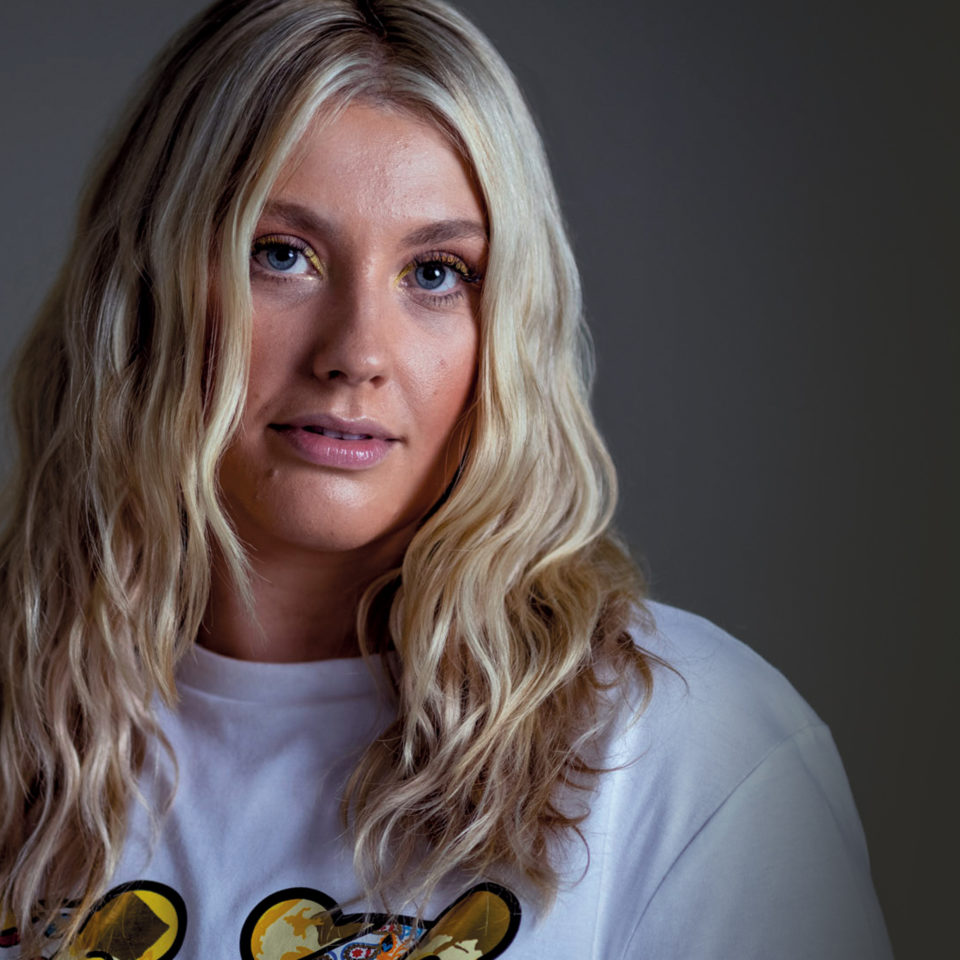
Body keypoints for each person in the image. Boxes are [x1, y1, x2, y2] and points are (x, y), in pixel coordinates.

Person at [0, 1, 892, 957]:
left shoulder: (685, 746)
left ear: (506, 323)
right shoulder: (23, 721)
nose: (357, 355)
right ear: (141, 289)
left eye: (436, 272)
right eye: (282, 255)